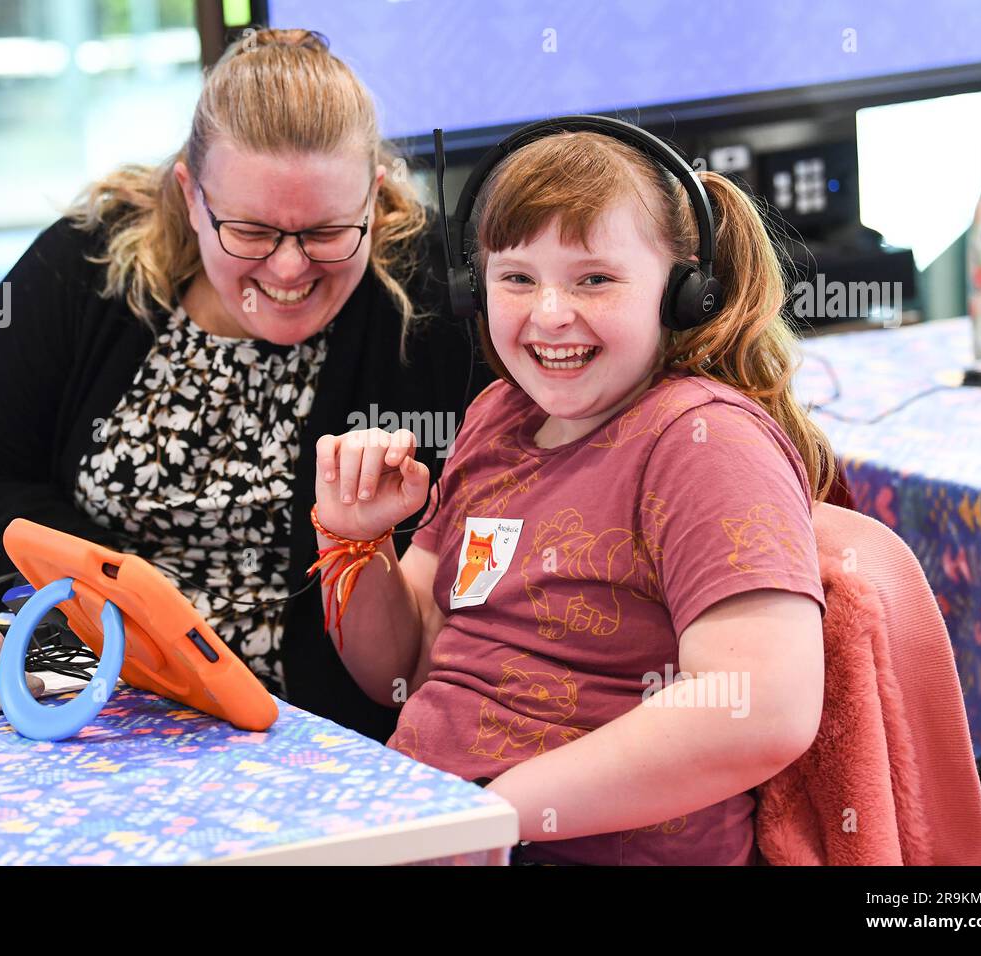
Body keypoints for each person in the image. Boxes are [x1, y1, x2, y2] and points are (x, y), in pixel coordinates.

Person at [0, 28, 492, 743]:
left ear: (376, 193)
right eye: (249, 231)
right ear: (189, 194)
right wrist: (123, 597)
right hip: (92, 695)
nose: (288, 270)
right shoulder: (91, 266)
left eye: (330, 232)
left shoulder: (437, 304)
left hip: (311, 733)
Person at [311, 127, 838, 864]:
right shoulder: (498, 416)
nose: (551, 312)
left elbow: (762, 710)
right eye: (518, 278)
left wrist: (497, 816)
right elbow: (400, 672)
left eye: (595, 279)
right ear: (474, 288)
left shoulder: (703, 443)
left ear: (683, 291)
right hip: (435, 827)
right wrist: (354, 543)